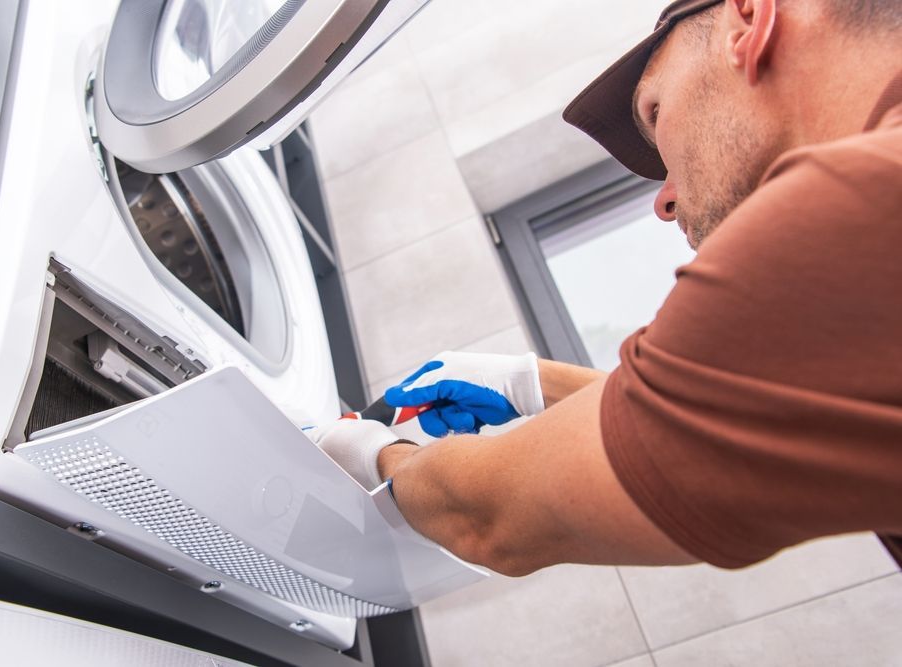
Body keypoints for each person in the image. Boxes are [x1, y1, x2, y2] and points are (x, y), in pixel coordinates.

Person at [308, 0, 902, 575]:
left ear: (747, 19)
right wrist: (533, 383)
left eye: (654, 110)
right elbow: (738, 422)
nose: (664, 200)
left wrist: (367, 452)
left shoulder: (850, 210)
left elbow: (489, 520)